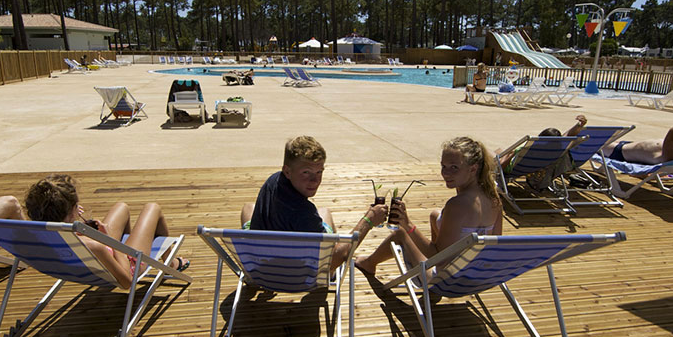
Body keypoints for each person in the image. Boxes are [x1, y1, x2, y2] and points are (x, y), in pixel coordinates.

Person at [356, 137, 503, 277]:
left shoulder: (457, 205)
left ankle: (369, 263)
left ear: (473, 169)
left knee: (401, 233)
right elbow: (495, 247)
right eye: (443, 166)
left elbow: (438, 256)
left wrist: (408, 225)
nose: (446, 173)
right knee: (435, 215)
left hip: (447, 280)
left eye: (454, 167)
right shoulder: (494, 199)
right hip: (477, 274)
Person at [241, 136, 386, 270]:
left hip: (259, 264)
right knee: (325, 213)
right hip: (296, 274)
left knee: (248, 207)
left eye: (319, 172)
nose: (315, 181)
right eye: (306, 172)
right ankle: (330, 275)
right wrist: (369, 219)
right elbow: (333, 260)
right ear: (287, 171)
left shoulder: (273, 181)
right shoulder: (304, 213)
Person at [24, 174, 188, 290]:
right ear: (69, 213)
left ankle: (132, 242)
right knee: (153, 208)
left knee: (121, 207)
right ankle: (171, 264)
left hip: (91, 258)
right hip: (128, 264)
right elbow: (127, 283)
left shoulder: (35, 238)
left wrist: (75, 221)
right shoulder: (95, 247)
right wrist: (109, 240)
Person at [496, 115, 588, 191]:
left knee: (498, 151)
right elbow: (567, 136)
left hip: (513, 170)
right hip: (537, 169)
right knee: (501, 151)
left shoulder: (525, 150)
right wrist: (578, 126)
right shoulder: (557, 152)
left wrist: (509, 155)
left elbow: (502, 166)